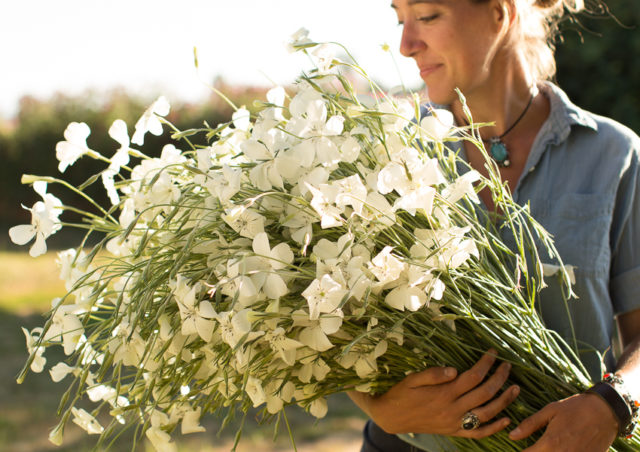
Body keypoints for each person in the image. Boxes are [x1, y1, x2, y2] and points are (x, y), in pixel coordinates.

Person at [348, 0, 640, 450]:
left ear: (500, 14)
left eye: (426, 16)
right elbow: (338, 321)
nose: (405, 45)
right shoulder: (388, 158)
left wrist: (614, 403)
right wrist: (378, 409)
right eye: (399, 19)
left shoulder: (614, 156)